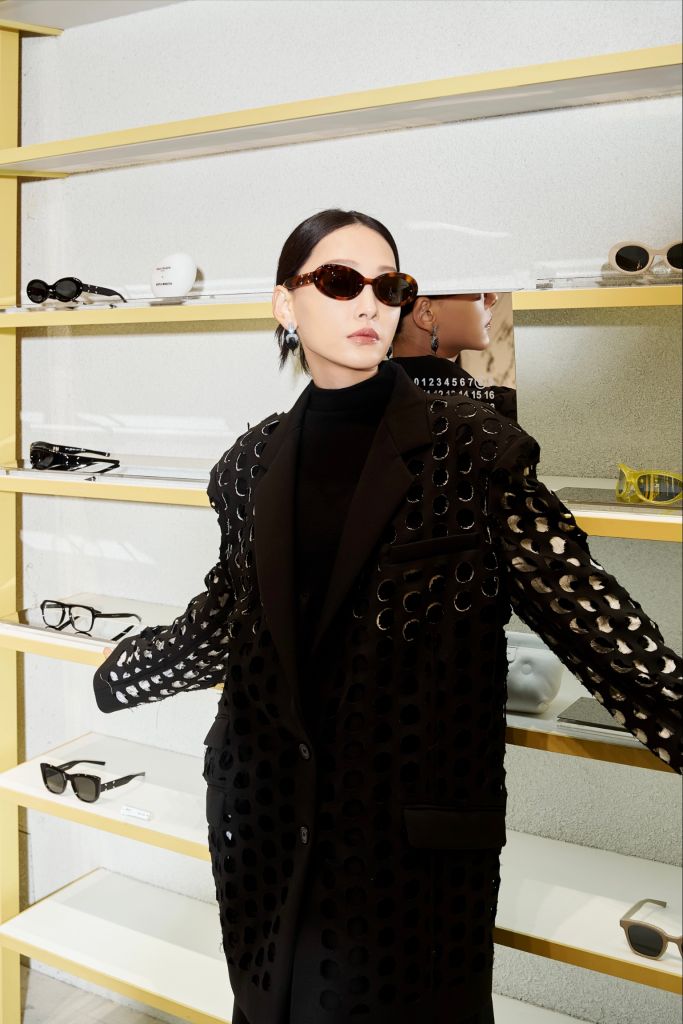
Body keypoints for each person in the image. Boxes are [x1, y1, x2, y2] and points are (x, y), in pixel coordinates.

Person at [94, 208, 682, 1024]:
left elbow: (588, 616)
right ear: (285, 303)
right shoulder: (248, 465)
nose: (369, 302)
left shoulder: (469, 448)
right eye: (339, 282)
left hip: (403, 854)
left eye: (389, 285)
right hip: (263, 823)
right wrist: (123, 675)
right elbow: (231, 613)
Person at [391, 291, 518, 419]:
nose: (493, 298)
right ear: (426, 313)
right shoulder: (510, 410)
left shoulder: (384, 404)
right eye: (477, 287)